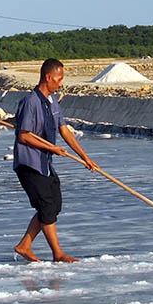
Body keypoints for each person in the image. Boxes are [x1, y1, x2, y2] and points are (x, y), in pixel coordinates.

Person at [12, 58, 98, 263]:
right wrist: (52, 148)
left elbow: (64, 130)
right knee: (46, 207)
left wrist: (84, 157)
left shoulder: (53, 101)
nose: (61, 83)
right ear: (48, 77)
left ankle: (24, 245)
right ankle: (57, 254)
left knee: (53, 205)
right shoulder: (30, 102)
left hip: (45, 163)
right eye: (59, 79)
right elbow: (24, 136)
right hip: (29, 163)